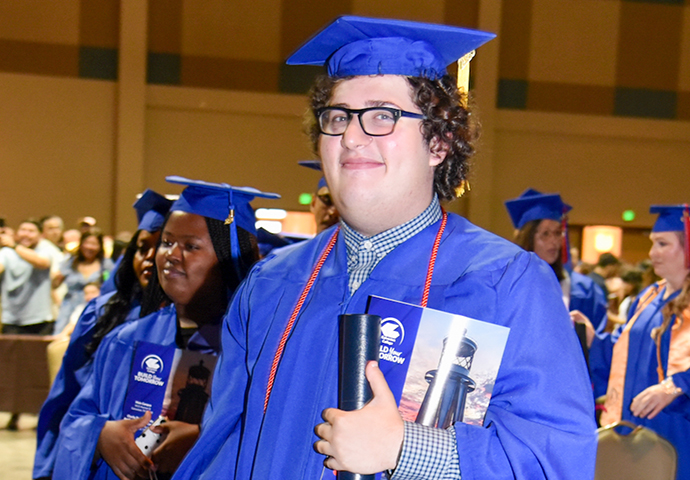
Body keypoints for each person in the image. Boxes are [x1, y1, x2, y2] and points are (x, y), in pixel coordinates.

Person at [173, 16, 597, 480]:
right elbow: (221, 448)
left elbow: (554, 460)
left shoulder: (505, 283)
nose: (351, 137)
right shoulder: (271, 283)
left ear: (438, 142)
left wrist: (407, 448)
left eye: (382, 115)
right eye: (337, 117)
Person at [52, 177, 278, 480]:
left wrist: (202, 438)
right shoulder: (127, 339)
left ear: (229, 258)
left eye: (190, 246)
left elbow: (279, 435)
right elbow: (78, 417)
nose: (170, 255)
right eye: (167, 242)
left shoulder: (258, 346)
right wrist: (101, 437)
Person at [33, 190, 173, 480]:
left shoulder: (192, 324)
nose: (148, 257)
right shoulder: (102, 313)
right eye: (141, 247)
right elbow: (65, 396)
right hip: (95, 456)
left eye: (160, 245)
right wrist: (47, 468)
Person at [588, 204, 690, 479]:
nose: (651, 253)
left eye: (662, 244)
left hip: (677, 428)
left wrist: (676, 387)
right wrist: (591, 339)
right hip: (632, 425)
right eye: (652, 244)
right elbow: (620, 354)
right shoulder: (647, 298)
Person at [505, 189, 609, 338]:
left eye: (557, 233)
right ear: (527, 238)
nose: (554, 241)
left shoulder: (584, 290)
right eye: (545, 234)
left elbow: (595, 344)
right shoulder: (508, 284)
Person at [0, 219, 55, 431]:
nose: (26, 233)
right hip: (12, 319)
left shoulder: (45, 250)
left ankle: (41, 413)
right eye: (22, 228)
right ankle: (13, 414)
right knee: (11, 371)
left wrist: (14, 245)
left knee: (37, 371)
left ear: (39, 235)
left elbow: (43, 263)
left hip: (39, 318)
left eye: (31, 231)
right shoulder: (6, 253)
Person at [52, 228, 113, 334]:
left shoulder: (106, 265)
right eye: (87, 243)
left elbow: (110, 287)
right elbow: (55, 285)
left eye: (94, 244)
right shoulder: (70, 262)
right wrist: (55, 278)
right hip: (69, 308)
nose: (89, 247)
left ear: (100, 246)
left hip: (94, 308)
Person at [299, 160, 340, 234]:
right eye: (327, 200)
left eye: (342, 204)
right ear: (313, 203)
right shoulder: (302, 246)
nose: (333, 212)